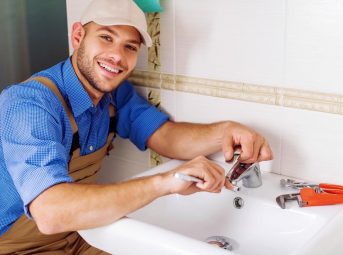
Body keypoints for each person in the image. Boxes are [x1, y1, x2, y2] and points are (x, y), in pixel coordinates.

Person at [0, 0, 273, 253]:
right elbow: (50, 213)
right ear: (77, 37)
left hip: (79, 237)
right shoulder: (29, 105)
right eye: (106, 37)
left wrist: (227, 131)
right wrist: (166, 182)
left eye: (129, 46)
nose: (117, 56)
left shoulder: (113, 95)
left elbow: (166, 136)